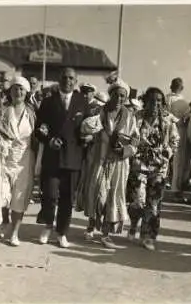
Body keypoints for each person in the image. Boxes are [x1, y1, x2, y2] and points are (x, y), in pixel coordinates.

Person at [81, 79, 139, 249]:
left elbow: (136, 140)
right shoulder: (99, 112)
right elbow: (85, 128)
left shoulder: (130, 117)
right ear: (110, 95)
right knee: (97, 194)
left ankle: (105, 234)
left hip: (119, 164)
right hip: (99, 159)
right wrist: (91, 134)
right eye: (116, 95)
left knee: (113, 196)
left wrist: (125, 149)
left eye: (123, 96)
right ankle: (91, 226)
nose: (119, 99)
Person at [35, 67, 89, 248]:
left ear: (76, 81)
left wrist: (88, 137)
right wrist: (49, 140)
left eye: (71, 78)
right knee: (49, 195)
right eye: (64, 77)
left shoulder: (83, 102)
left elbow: (89, 128)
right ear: (59, 79)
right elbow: (39, 129)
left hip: (73, 158)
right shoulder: (48, 102)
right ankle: (48, 225)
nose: (67, 80)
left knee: (67, 198)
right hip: (53, 157)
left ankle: (62, 232)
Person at [127, 87, 179, 251]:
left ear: (163, 103)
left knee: (154, 204)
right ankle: (134, 223)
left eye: (158, 101)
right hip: (139, 166)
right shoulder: (137, 117)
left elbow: (174, 141)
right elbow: (129, 137)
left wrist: (166, 153)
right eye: (152, 100)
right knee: (137, 201)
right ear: (145, 102)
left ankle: (148, 236)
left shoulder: (168, 120)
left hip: (159, 168)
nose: (155, 103)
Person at [0, 76, 37, 246]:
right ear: (10, 92)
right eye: (15, 89)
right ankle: (4, 219)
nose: (18, 92)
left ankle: (14, 233)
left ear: (26, 92)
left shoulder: (32, 113)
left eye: (21, 89)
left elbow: (37, 137)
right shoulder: (4, 110)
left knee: (19, 198)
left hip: (25, 160)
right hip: (5, 157)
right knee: (2, 196)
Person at [165, 77, 189, 194]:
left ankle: (174, 186)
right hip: (175, 130)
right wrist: (178, 121)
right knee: (176, 161)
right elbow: (166, 114)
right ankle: (175, 187)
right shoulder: (169, 98)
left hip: (176, 129)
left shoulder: (171, 98)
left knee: (173, 160)